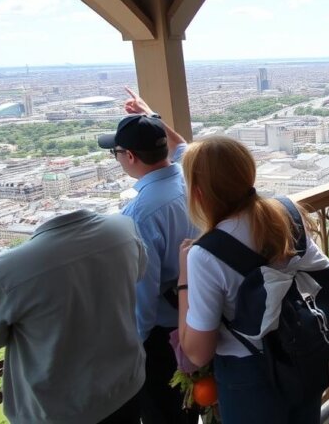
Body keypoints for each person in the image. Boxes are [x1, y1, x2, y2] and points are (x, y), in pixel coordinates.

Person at [176, 136, 329, 423]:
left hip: (250, 377)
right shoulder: (287, 212)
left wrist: (184, 279)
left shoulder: (205, 255)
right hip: (303, 354)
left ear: (198, 194)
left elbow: (198, 352)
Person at [0, 211, 146, 424]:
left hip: (58, 411)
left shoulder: (6, 271)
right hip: (126, 386)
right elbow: (139, 273)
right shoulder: (123, 229)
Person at [98, 89, 199, 424]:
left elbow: (144, 289)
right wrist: (152, 116)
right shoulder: (191, 174)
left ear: (129, 157)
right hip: (204, 309)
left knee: (167, 412)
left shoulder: (139, 213)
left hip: (166, 332)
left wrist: (134, 349)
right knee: (199, 400)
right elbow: (182, 144)